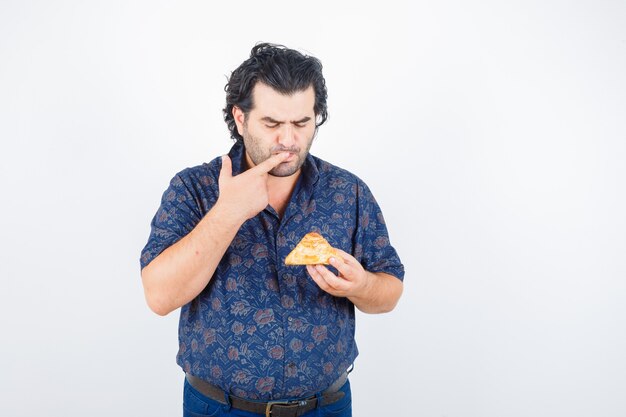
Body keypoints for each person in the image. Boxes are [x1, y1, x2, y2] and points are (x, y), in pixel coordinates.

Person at [140, 42, 404, 417]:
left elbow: (390, 290)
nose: (288, 140)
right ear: (240, 118)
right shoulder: (193, 188)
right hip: (220, 408)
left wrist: (361, 287)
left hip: (326, 407)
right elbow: (159, 296)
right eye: (272, 123)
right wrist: (227, 213)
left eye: (301, 123)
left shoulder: (348, 192)